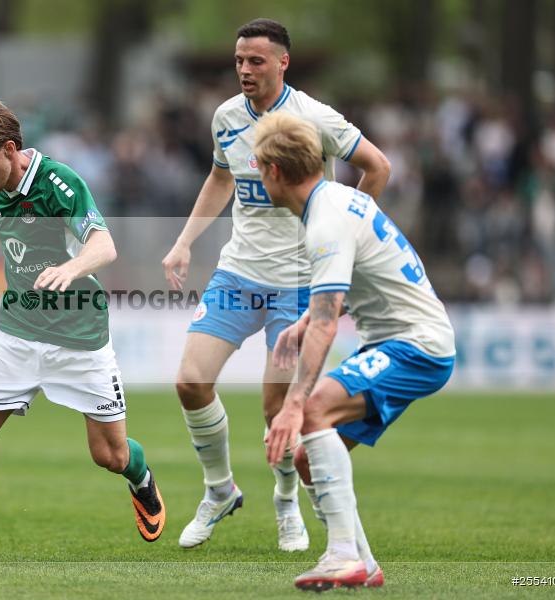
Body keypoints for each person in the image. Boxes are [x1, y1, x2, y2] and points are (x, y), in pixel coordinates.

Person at [160, 18, 391, 551]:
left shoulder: (312, 117)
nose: (244, 69)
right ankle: (219, 491)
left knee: (276, 409)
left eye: (256, 61)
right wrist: (184, 241)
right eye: (239, 60)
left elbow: (376, 166)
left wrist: (349, 233)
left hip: (300, 284)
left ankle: (286, 500)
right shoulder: (225, 117)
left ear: (282, 62)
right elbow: (221, 177)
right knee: (190, 382)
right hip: (239, 272)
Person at [0, 99, 165, 564]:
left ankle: (141, 478)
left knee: (109, 456)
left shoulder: (60, 184)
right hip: (17, 329)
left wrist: (71, 268)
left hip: (78, 335)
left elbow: (104, 244)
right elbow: (2, 223)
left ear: (9, 149)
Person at [256, 111, 455, 590]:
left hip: (416, 345)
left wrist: (293, 405)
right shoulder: (336, 200)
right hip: (402, 341)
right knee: (307, 459)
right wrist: (308, 320)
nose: (257, 176)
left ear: (274, 172)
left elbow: (328, 323)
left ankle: (342, 555)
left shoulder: (324, 222)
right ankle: (362, 561)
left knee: (313, 409)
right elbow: (340, 294)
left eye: (258, 167)